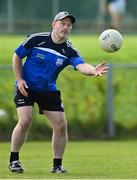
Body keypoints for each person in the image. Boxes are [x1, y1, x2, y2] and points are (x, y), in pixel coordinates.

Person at [9, 11, 108, 174]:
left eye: (69, 25)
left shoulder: (69, 50)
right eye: (63, 23)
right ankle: (14, 160)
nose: (66, 27)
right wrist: (19, 79)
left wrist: (93, 70)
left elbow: (81, 65)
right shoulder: (36, 39)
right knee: (25, 120)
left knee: (61, 126)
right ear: (53, 24)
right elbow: (17, 56)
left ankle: (57, 165)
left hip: (48, 89)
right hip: (26, 86)